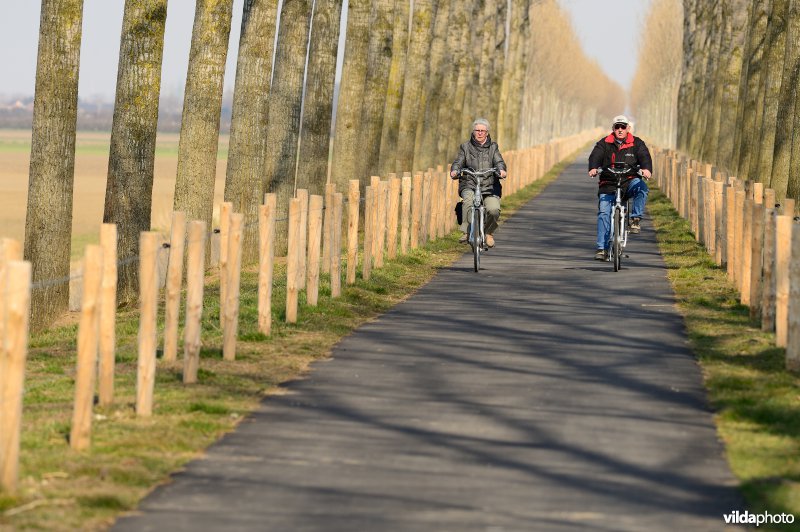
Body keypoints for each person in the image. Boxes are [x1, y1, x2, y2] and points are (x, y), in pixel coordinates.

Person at [588, 115, 652, 260]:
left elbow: (644, 156)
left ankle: (635, 220)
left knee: (642, 188)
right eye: (617, 127)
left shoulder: (637, 143)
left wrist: (646, 169)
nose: (620, 130)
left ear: (628, 128)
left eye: (623, 127)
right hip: (608, 183)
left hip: (629, 181)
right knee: (604, 213)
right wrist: (593, 167)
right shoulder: (604, 143)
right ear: (613, 129)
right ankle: (602, 249)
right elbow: (595, 156)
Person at [450, 118, 507, 248]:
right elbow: (458, 161)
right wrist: (455, 170)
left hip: (489, 185)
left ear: (487, 133)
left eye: (483, 131)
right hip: (469, 182)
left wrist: (501, 170)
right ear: (473, 131)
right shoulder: (465, 147)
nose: (480, 133)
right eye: (477, 130)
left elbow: (499, 161)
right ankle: (467, 231)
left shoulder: (493, 147)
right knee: (468, 201)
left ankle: (488, 232)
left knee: (493, 209)